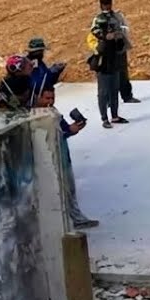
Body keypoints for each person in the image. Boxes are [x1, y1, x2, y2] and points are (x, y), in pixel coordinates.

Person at [37, 86, 99, 230]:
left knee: (69, 190)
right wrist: (69, 131)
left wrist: (72, 130)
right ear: (38, 97)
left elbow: (64, 131)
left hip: (63, 157)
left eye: (52, 98)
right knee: (65, 191)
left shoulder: (53, 112)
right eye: (47, 98)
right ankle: (76, 219)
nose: (50, 101)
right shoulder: (39, 116)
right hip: (53, 160)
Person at [91, 0, 140, 105]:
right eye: (105, 4)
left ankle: (127, 95)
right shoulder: (98, 18)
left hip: (119, 48)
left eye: (108, 4)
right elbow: (94, 32)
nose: (107, 7)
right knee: (108, 75)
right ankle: (109, 100)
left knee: (123, 73)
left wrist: (119, 34)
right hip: (107, 51)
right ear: (101, 5)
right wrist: (105, 36)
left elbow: (125, 28)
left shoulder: (118, 16)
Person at [90, 11, 130, 128]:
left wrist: (118, 37)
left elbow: (120, 48)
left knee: (114, 91)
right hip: (103, 67)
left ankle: (115, 116)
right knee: (103, 93)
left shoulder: (115, 34)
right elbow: (97, 49)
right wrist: (105, 38)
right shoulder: (97, 37)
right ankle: (104, 118)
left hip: (114, 65)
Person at [25, 37, 66, 107]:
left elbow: (46, 79)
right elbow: (38, 84)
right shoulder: (29, 65)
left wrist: (55, 71)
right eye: (41, 51)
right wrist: (53, 72)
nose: (42, 54)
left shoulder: (39, 63)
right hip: (33, 104)